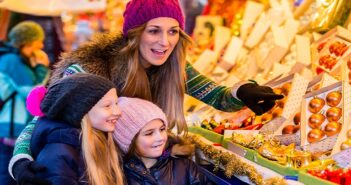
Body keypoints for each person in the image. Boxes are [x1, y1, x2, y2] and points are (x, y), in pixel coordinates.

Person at [9, 0, 283, 184]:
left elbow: (214, 94)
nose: (165, 42)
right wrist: (21, 159)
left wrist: (242, 92)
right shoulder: (93, 66)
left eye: (173, 31)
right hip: (94, 169)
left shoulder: (173, 64)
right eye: (154, 31)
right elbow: (43, 117)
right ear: (135, 34)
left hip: (134, 168)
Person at [25, 73, 125, 185]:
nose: (118, 112)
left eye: (116, 103)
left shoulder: (99, 139)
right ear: (80, 110)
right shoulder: (59, 154)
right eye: (107, 106)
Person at [114, 97, 212, 184]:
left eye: (162, 129)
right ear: (127, 140)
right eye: (149, 133)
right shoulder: (119, 176)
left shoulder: (185, 168)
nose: (160, 138)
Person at [0, 21, 49, 185]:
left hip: (16, 123)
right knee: (8, 174)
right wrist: (42, 67)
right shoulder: (12, 60)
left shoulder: (19, 59)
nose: (42, 44)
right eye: (38, 39)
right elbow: (31, 92)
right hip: (13, 126)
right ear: (28, 40)